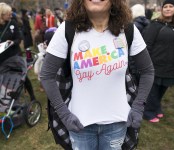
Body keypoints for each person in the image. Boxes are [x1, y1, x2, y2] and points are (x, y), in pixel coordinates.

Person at [40, 0, 154, 149]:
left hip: (118, 122)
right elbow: (46, 75)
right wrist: (64, 114)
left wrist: (138, 107)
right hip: (79, 124)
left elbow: (148, 71)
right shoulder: (67, 29)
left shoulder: (127, 29)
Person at [143, 0, 174, 123]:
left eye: (171, 6)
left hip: (172, 65)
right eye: (165, 7)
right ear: (162, 10)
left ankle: (156, 106)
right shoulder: (155, 25)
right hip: (157, 64)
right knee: (154, 89)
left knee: (163, 87)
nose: (168, 9)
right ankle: (148, 111)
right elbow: (147, 45)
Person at [0, 3, 36, 101]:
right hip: (2, 59)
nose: (11, 15)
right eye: (8, 14)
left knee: (23, 78)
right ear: (2, 15)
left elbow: (19, 38)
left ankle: (32, 97)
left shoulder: (12, 23)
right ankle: (11, 101)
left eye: (11, 13)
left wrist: (12, 42)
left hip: (15, 55)